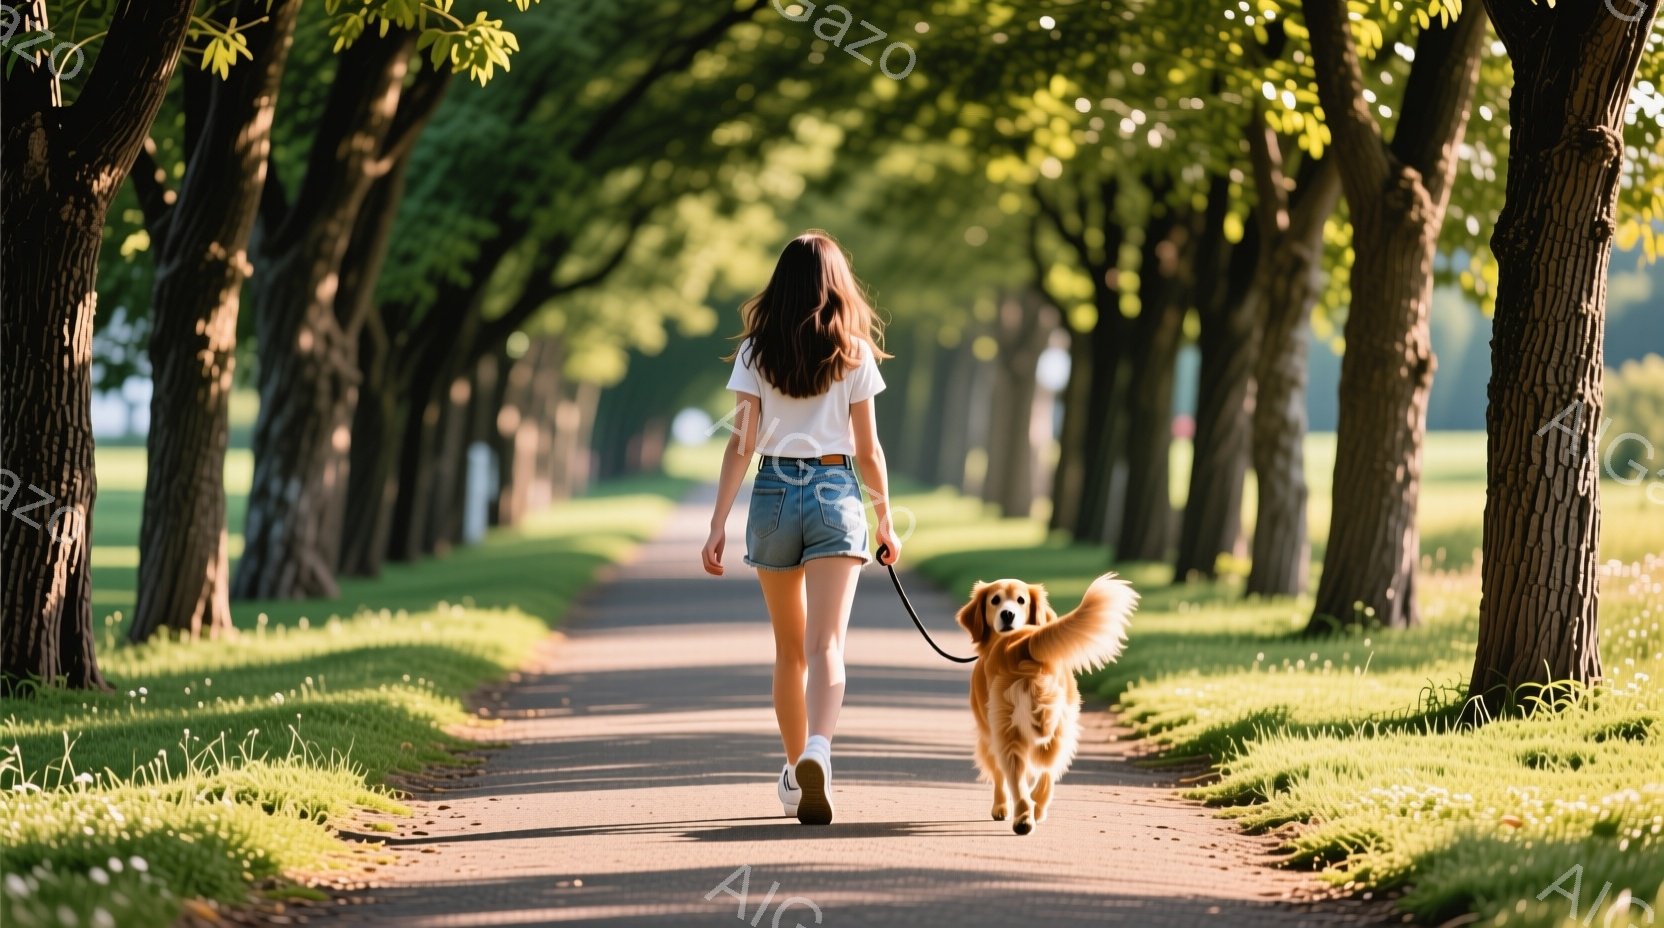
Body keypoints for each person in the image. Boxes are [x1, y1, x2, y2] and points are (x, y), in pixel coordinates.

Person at [700, 230, 901, 826]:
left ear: (780, 285)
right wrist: (885, 521)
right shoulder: (855, 351)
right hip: (837, 493)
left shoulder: (755, 353)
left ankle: (795, 772)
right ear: (838, 284)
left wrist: (717, 524)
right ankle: (819, 750)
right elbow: (868, 451)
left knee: (790, 651)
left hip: (773, 495)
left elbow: (740, 443)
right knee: (827, 646)